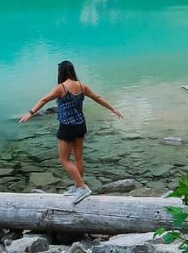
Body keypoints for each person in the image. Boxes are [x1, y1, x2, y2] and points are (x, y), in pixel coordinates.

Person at [19, 60, 123, 204]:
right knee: (78, 158)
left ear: (60, 72)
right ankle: (77, 186)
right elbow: (97, 97)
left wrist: (31, 112)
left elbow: (44, 100)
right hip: (80, 124)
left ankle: (82, 187)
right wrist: (112, 109)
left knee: (64, 159)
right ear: (72, 71)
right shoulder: (82, 86)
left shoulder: (61, 88)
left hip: (67, 127)